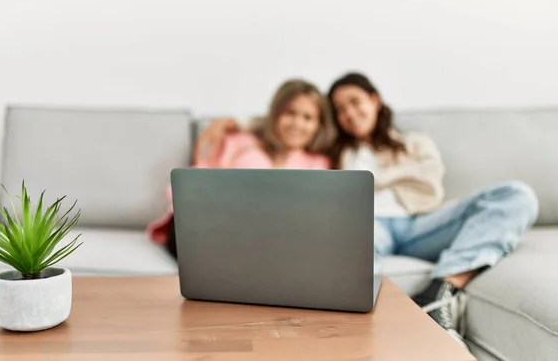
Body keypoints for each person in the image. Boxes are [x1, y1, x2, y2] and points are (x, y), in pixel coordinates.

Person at [195, 72, 539, 347]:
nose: (349, 114)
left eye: (355, 103)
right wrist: (233, 119)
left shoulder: (414, 142)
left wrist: (370, 179)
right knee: (349, 247)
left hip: (421, 223)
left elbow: (428, 187)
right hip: (366, 222)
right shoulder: (334, 151)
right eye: (340, 110)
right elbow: (288, 126)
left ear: (374, 100)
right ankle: (353, 338)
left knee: (516, 195)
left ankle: (440, 291)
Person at [147, 79, 337, 260]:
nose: (297, 123)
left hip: (268, 238)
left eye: (308, 118)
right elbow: (190, 184)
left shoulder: (319, 164)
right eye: (290, 113)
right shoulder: (237, 142)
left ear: (318, 126)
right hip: (212, 225)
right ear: (275, 114)